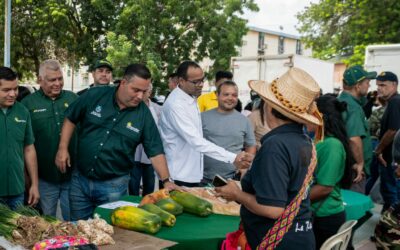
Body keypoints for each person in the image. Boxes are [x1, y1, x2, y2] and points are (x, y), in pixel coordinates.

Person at [216, 67, 323, 250]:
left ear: (270, 107)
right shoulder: (305, 141)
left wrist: (237, 194)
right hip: (301, 236)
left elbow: (273, 210)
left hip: (277, 242)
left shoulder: (276, 146)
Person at [55, 63, 178, 220]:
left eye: (144, 91)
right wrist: (62, 148)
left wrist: (166, 180)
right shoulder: (95, 95)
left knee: (110, 236)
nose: (140, 96)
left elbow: (155, 150)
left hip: (113, 187)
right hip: (80, 181)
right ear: (123, 83)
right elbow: (71, 118)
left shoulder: (143, 115)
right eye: (136, 90)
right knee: (79, 233)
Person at [159, 61, 251, 187]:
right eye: (195, 82)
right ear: (181, 81)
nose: (201, 85)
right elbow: (196, 141)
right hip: (179, 176)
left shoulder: (190, 97)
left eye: (202, 80)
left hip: (192, 174)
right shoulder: (176, 105)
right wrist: (232, 157)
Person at [21, 59, 77, 220]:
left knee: (72, 223)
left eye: (60, 78)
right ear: (40, 80)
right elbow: (24, 144)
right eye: (52, 80)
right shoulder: (27, 104)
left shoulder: (74, 99)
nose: (58, 83)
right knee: (47, 223)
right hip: (44, 179)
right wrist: (30, 181)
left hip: (72, 177)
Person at [311, 94, 355, 248]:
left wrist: (294, 202)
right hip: (320, 214)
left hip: (325, 217)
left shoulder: (332, 145)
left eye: (311, 112)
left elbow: (324, 188)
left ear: (320, 117)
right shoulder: (320, 140)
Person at [201, 80, 256, 183]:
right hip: (202, 178)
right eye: (226, 94)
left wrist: (244, 168)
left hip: (233, 180)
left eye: (234, 95)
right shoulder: (202, 117)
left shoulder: (244, 120)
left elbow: (251, 145)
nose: (230, 98)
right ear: (217, 95)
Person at [0, 66, 40, 209]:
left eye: (15, 89)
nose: (13, 94)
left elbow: (29, 149)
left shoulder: (23, 111)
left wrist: (34, 185)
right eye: (6, 90)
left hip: (17, 192)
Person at [337, 65, 376, 193]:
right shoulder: (353, 108)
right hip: (354, 170)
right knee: (354, 206)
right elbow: (353, 139)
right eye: (367, 82)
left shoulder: (341, 101)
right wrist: (360, 164)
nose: (369, 86)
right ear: (358, 86)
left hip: (344, 165)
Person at [374, 71, 400, 210]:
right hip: (391, 158)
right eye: (378, 85)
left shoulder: (395, 101)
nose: (379, 88)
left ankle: (390, 229)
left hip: (390, 158)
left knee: (391, 196)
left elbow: (392, 130)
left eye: (383, 85)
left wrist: (378, 150)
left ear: (394, 85)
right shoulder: (392, 101)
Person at [130, 83, 162, 196]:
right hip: (134, 151)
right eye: (142, 91)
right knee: (133, 181)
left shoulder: (157, 109)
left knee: (149, 181)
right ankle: (133, 202)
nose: (143, 94)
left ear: (150, 93)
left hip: (150, 153)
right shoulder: (131, 107)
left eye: (146, 91)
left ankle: (148, 201)